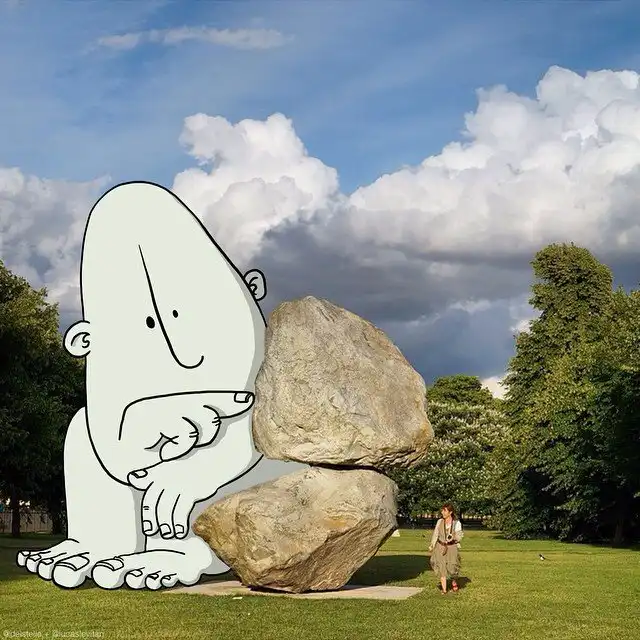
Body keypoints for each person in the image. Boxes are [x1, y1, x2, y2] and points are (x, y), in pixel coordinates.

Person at [428, 503, 463, 594]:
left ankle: (454, 581)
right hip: (440, 546)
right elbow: (436, 534)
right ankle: (444, 590)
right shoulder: (439, 521)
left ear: (450, 512)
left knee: (452, 567)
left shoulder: (456, 523)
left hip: (452, 547)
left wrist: (453, 537)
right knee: (441, 567)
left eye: (445, 510)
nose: (442, 512)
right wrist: (432, 545)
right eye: (442, 510)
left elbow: (459, 536)